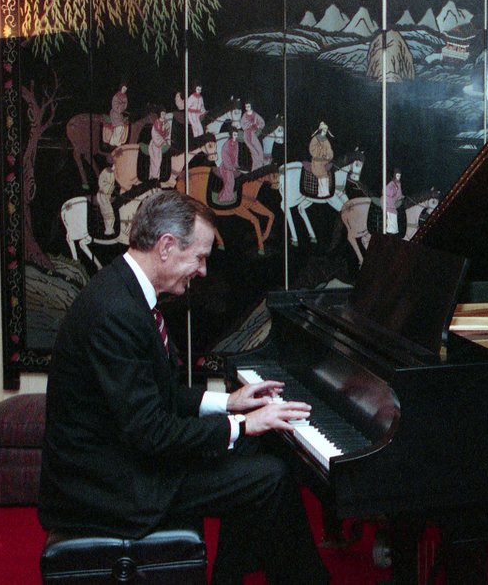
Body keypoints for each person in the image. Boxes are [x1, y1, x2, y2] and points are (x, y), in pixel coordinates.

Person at [39, 191, 330, 584]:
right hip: (109, 486)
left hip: (122, 459)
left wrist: (230, 402)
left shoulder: (125, 291)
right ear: (166, 246)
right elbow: (151, 432)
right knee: (269, 476)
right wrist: (242, 424)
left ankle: (232, 574)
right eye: (201, 257)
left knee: (260, 448)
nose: (204, 271)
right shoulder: (115, 313)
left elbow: (156, 397)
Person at [240, 102, 267, 170]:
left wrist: (257, 126)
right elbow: (242, 124)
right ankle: (254, 168)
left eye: (248, 106)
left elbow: (262, 122)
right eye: (246, 107)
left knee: (259, 150)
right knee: (254, 151)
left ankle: (260, 166)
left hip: (254, 134)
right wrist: (251, 125)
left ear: (251, 106)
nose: (247, 108)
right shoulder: (245, 115)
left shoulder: (255, 114)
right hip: (247, 134)